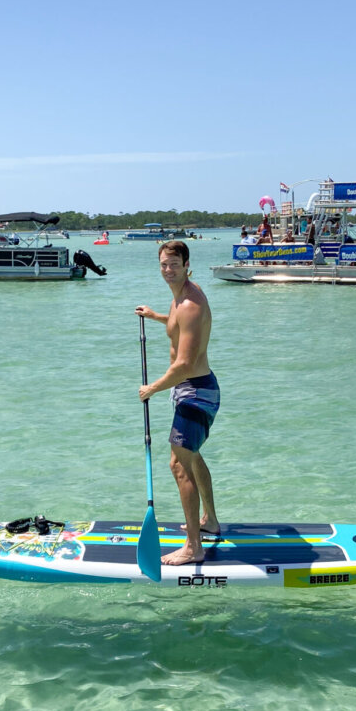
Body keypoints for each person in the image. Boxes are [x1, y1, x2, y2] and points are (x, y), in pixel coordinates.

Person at [136, 241, 219, 566]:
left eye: (174, 264)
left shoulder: (189, 304)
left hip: (195, 392)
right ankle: (210, 521)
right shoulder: (181, 296)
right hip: (193, 389)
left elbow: (184, 363)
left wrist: (152, 389)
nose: (168, 270)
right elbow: (178, 329)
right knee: (191, 455)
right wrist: (155, 316)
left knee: (178, 463)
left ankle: (193, 547)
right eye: (163, 264)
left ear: (187, 264)